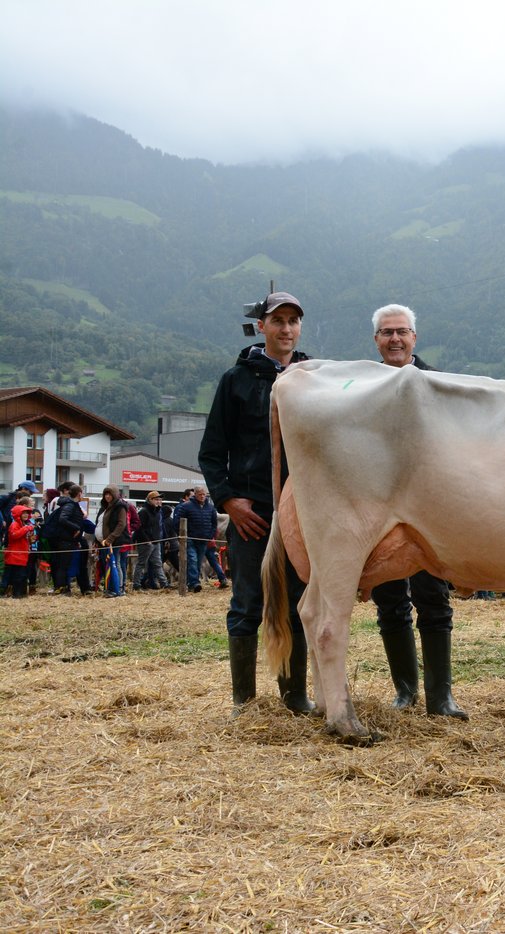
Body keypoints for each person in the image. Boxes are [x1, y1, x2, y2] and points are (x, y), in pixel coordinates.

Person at [198, 290, 313, 713]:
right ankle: (243, 703)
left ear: (300, 328)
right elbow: (212, 451)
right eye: (277, 320)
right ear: (261, 326)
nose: (286, 329)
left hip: (302, 510)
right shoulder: (237, 379)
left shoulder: (314, 376)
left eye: (293, 321)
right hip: (254, 515)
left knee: (301, 601)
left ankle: (295, 697)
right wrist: (229, 502)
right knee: (248, 603)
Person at [367, 303, 467, 718]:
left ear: (414, 337)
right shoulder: (364, 388)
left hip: (429, 510)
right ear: (376, 340)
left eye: (401, 331)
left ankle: (441, 698)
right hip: (381, 510)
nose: (394, 339)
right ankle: (406, 691)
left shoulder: (436, 384)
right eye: (387, 332)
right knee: (389, 599)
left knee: (434, 598)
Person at [172, 486, 226, 592]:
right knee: (193, 559)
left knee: (198, 562)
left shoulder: (210, 507)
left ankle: (193, 582)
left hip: (204, 539)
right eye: (200, 494)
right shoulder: (186, 506)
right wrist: (182, 535)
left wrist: (210, 535)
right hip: (190, 538)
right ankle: (194, 583)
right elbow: (177, 522)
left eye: (204, 494)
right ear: (195, 494)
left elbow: (214, 523)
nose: (202, 496)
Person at [94, 485, 134, 597]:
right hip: (103, 542)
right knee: (107, 565)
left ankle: (117, 588)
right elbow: (99, 524)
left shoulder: (120, 507)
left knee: (114, 564)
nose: (107, 496)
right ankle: (109, 588)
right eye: (105, 494)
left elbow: (121, 524)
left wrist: (110, 538)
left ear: (115, 494)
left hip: (114, 541)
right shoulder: (105, 507)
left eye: (109, 494)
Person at [133, 491, 172, 590]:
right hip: (146, 542)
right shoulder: (144, 512)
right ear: (150, 500)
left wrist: (164, 539)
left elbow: (160, 527)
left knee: (158, 563)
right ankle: (136, 585)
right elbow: (139, 528)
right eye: (156, 499)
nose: (159, 501)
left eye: (160, 500)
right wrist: (147, 540)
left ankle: (164, 584)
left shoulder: (158, 511)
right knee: (141, 563)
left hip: (156, 541)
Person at [4, 503, 36, 598]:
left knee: (23, 576)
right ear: (18, 514)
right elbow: (14, 535)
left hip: (22, 554)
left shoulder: (24, 524)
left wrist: (32, 537)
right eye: (23, 513)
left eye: (27, 513)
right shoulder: (15, 524)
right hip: (16, 555)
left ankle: (21, 594)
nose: (26, 515)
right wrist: (26, 529)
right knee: (18, 576)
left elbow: (24, 538)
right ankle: (16, 594)